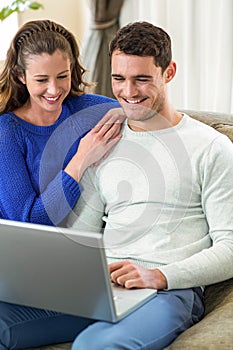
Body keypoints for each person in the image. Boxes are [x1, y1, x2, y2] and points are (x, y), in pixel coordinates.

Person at [66, 21, 233, 349]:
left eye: (142, 79)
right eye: (119, 78)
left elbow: (230, 247)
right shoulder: (103, 142)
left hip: (166, 293)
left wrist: (159, 276)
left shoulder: (212, 148)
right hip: (100, 287)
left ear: (169, 72)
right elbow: (80, 236)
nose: (128, 92)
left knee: (93, 346)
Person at [0, 19, 124, 349]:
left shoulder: (94, 110)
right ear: (20, 77)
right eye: (41, 79)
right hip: (16, 268)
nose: (54, 90)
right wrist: (81, 158)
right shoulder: (7, 131)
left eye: (62, 76)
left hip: (65, 273)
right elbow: (30, 220)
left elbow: (147, 114)